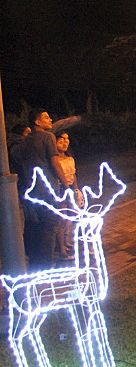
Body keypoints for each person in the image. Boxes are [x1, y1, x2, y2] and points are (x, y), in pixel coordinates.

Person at [13, 109, 70, 270]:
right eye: (46, 117)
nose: (50, 119)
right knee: (50, 225)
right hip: (48, 189)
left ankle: (34, 263)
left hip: (30, 190)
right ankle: (46, 265)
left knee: (34, 225)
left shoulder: (25, 140)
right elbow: (55, 162)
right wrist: (66, 185)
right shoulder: (48, 137)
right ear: (37, 122)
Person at [54, 131, 79, 262]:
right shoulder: (54, 160)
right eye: (61, 140)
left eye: (67, 139)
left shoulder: (69, 158)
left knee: (72, 216)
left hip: (70, 190)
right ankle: (61, 249)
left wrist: (76, 190)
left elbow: (73, 175)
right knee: (61, 220)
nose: (65, 142)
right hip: (61, 191)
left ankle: (66, 242)